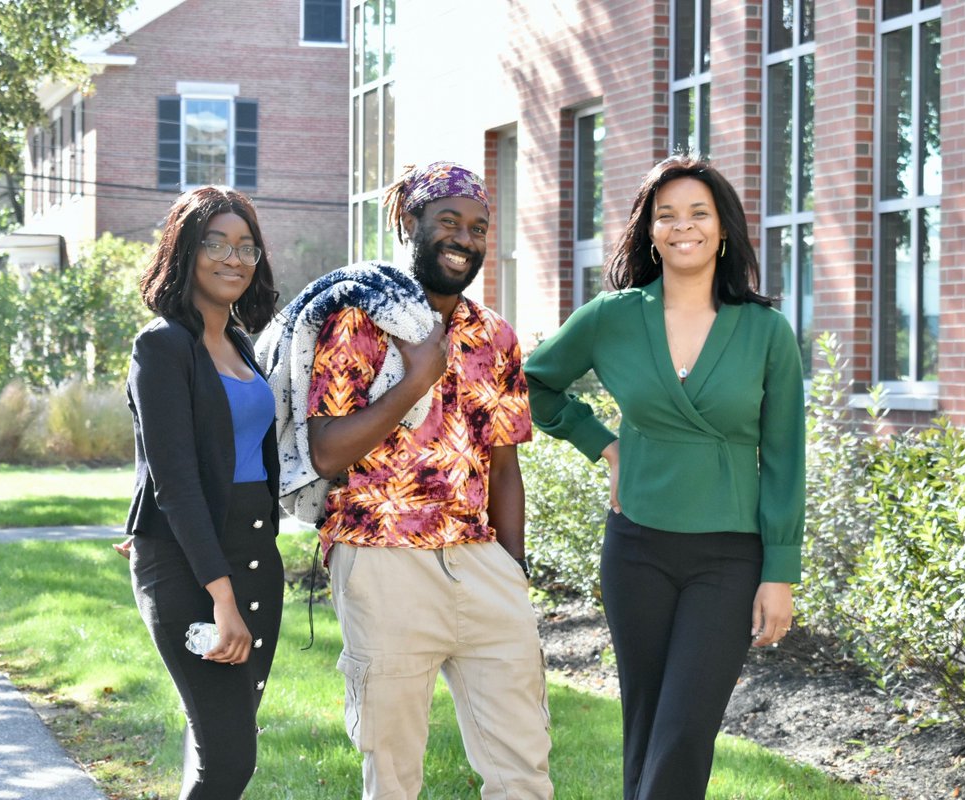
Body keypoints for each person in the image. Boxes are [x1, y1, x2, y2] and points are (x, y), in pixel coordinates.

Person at [523, 154, 805, 800]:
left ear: (724, 229)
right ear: (648, 231)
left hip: (729, 557)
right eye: (667, 215)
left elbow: (787, 457)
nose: (684, 227)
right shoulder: (613, 316)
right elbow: (534, 385)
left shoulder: (766, 332)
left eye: (699, 214)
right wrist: (605, 446)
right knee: (647, 726)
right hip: (637, 547)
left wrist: (779, 571)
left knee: (683, 731)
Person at [305, 161, 553, 800]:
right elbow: (327, 450)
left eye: (478, 227)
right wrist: (419, 375)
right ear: (408, 221)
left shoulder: (495, 336)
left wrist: (511, 570)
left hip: (481, 563)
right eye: (448, 221)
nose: (464, 238)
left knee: (523, 765)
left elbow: (504, 463)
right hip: (382, 564)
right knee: (393, 774)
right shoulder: (358, 321)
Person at [123, 185, 282, 800]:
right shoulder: (160, 347)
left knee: (223, 737)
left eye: (246, 246)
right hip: (195, 569)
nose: (232, 258)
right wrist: (222, 598)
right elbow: (176, 479)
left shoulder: (241, 345)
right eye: (215, 243)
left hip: (253, 554)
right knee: (229, 760)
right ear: (184, 252)